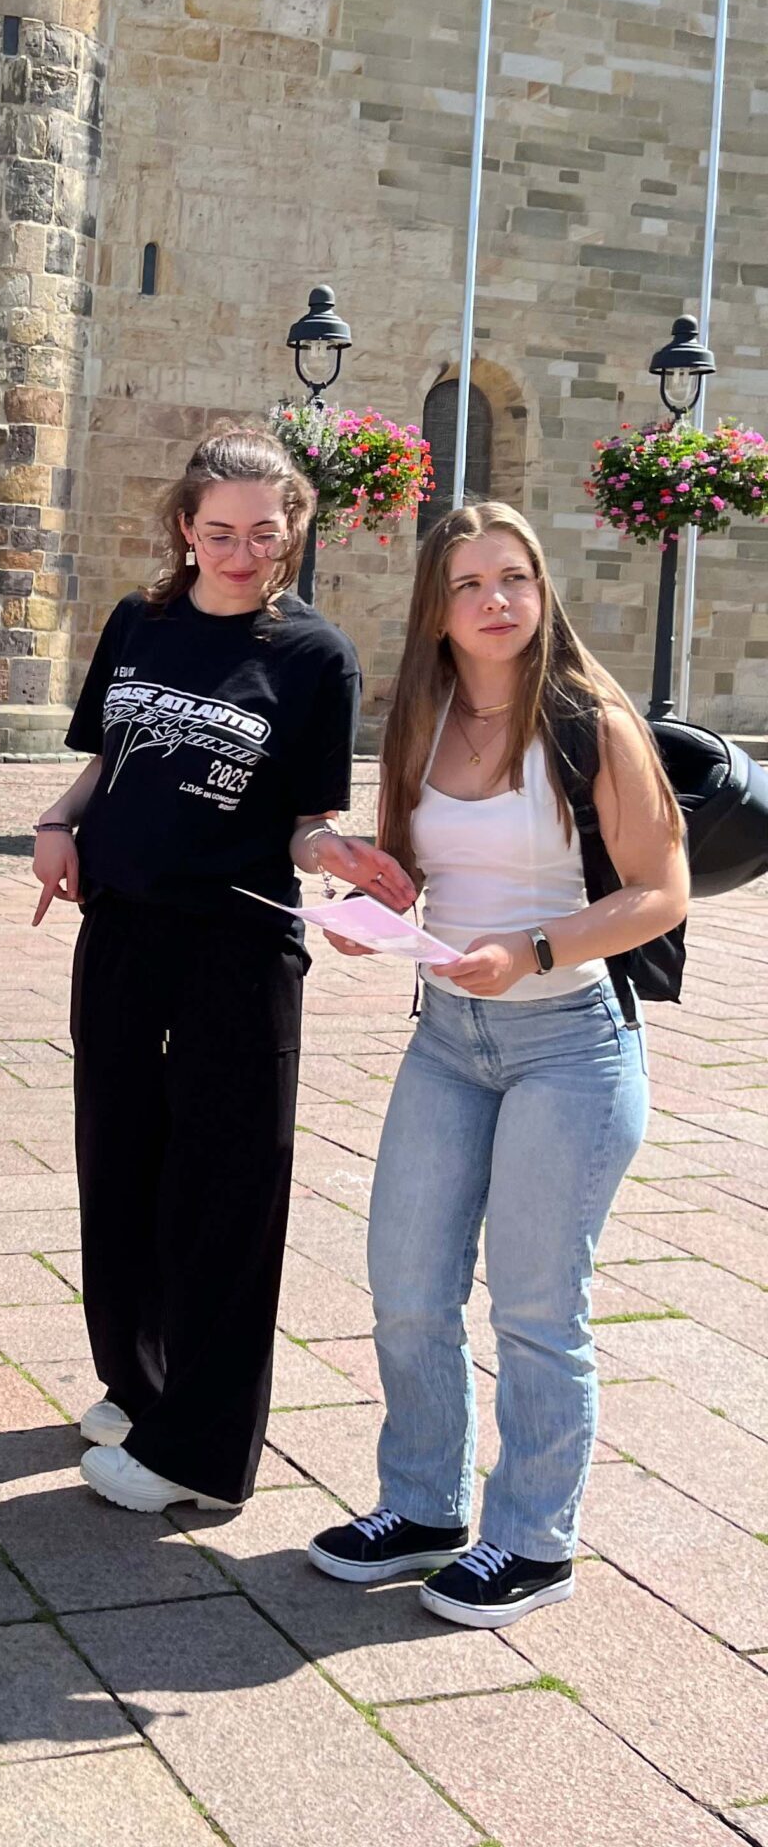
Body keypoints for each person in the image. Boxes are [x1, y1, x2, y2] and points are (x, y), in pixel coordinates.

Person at [307, 503, 687, 1626]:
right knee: (408, 1285)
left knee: (535, 1304)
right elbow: (410, 874)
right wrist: (367, 908)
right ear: (439, 603)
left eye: (514, 578)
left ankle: (533, 1537)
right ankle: (421, 1507)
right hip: (448, 1036)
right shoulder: (419, 713)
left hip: (569, 1039)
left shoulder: (588, 717)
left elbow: (659, 892)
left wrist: (530, 946)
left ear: (541, 587)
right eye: (470, 584)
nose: (496, 603)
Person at [32, 428, 412, 1513]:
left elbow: (302, 824)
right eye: (218, 531)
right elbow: (106, 760)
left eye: (263, 531)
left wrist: (334, 852)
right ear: (184, 529)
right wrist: (58, 822)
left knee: (224, 1190)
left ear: (292, 530)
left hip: (237, 947)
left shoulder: (312, 656)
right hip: (121, 931)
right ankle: (139, 1382)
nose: (240, 552)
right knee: (118, 1165)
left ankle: (197, 1453)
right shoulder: (138, 623)